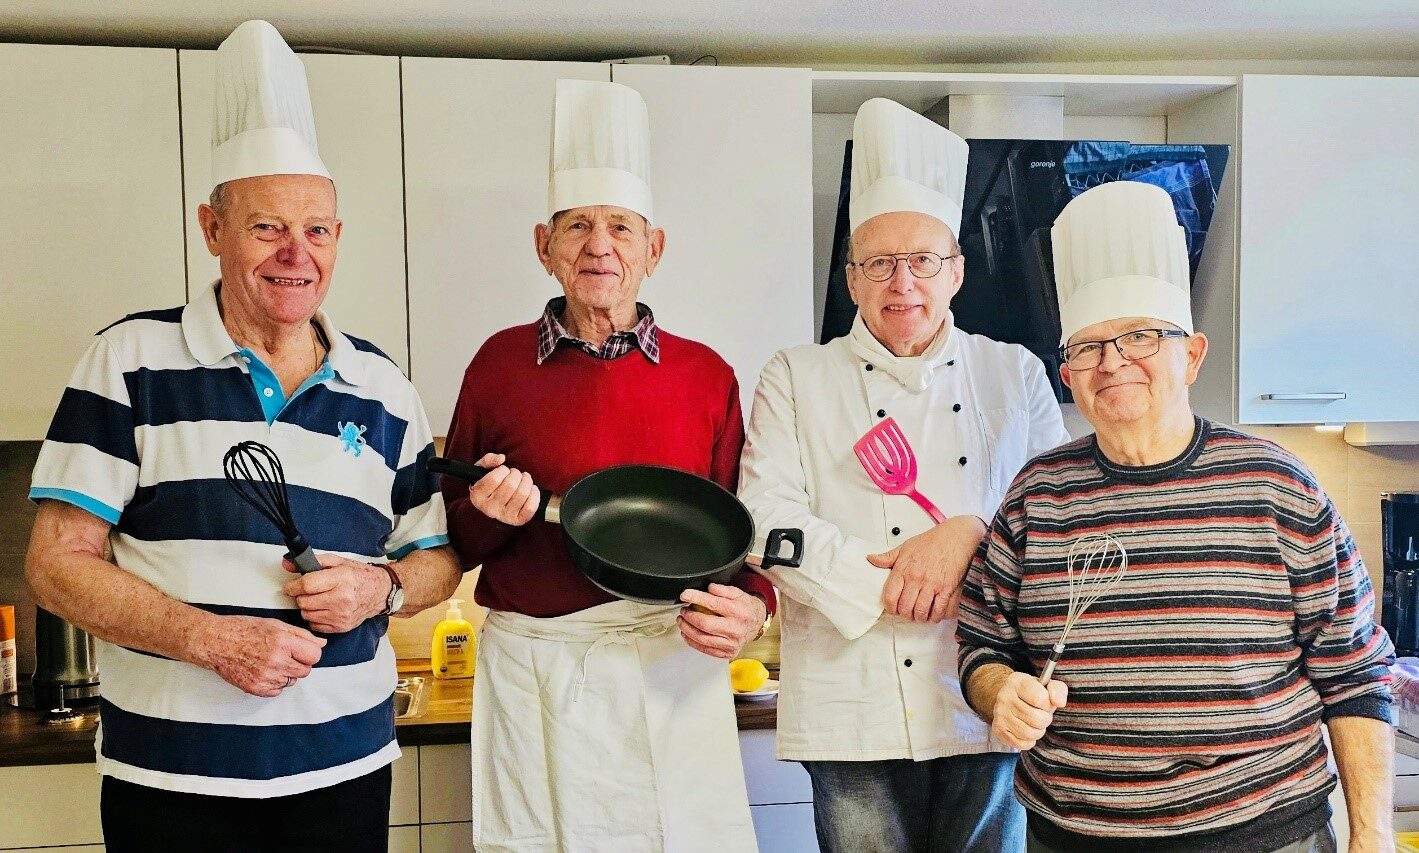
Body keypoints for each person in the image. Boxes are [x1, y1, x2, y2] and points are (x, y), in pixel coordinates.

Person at [23, 20, 461, 851]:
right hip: (171, 779)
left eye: (317, 229)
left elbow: (434, 559)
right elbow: (55, 564)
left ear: (338, 239)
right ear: (212, 228)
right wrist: (209, 639)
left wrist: (381, 589)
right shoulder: (129, 361)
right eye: (267, 227)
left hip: (344, 771)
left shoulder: (385, 389)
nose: (297, 252)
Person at [957, 180, 1395, 853]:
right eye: (1087, 347)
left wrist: (1373, 833)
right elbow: (983, 645)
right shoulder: (1036, 496)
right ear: (1068, 375)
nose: (1112, 362)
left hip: (1264, 835)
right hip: (1074, 837)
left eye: (1139, 336)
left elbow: (1355, 672)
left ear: (1190, 355)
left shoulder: (1276, 486)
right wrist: (1000, 691)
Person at [441, 79, 774, 852]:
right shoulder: (496, 365)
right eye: (577, 225)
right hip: (535, 671)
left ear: (653, 250)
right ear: (543, 245)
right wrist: (487, 514)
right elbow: (453, 536)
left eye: (621, 226)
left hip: (669, 664)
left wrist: (754, 605)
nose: (599, 246)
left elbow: (746, 530)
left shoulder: (706, 376)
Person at [737, 97, 1070, 852]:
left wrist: (968, 535)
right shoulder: (796, 375)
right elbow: (765, 519)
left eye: (922, 261)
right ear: (852, 279)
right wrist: (893, 583)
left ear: (956, 271)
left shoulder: (1014, 372)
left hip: (985, 689)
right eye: (879, 264)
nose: (902, 283)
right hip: (848, 701)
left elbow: (1054, 520)